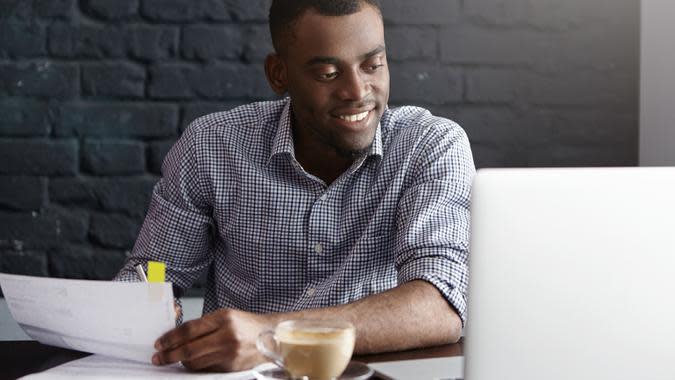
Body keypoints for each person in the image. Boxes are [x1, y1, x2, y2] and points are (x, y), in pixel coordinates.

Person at [114, 0, 475, 372]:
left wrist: (272, 336)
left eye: (372, 65)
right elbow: (155, 273)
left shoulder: (430, 146)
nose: (356, 90)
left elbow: (440, 305)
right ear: (278, 74)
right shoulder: (211, 147)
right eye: (328, 74)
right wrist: (148, 302)